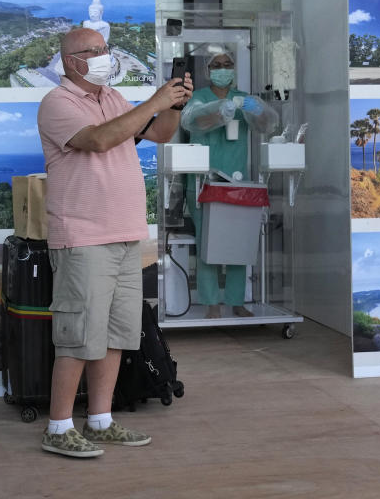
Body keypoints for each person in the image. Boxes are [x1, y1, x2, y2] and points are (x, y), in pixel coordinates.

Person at [36, 27, 192, 458]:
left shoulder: (114, 99)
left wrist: (175, 104)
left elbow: (159, 133)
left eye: (105, 49)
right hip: (84, 238)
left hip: (126, 235)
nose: (105, 56)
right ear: (71, 60)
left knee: (115, 335)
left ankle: (100, 420)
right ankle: (58, 426)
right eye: (94, 51)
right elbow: (99, 139)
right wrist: (156, 101)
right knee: (79, 336)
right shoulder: (58, 103)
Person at [180, 45, 278, 319]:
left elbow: (268, 124)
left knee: (239, 242)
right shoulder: (198, 98)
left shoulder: (243, 99)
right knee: (207, 243)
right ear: (207, 70)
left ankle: (236, 301)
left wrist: (256, 109)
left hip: (237, 181)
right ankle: (211, 302)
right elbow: (192, 122)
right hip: (203, 182)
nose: (223, 69)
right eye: (217, 65)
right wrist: (219, 111)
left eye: (227, 63)